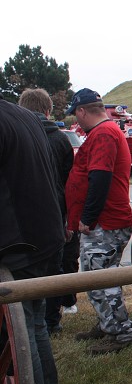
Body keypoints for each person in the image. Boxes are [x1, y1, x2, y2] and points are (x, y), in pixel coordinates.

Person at [0, 98, 65, 384]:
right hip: (44, 237)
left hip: (18, 245)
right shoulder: (25, 115)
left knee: (20, 333)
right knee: (35, 324)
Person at [65, 88, 132, 355]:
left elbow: (100, 178)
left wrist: (88, 218)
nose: (77, 120)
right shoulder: (105, 132)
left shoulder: (104, 133)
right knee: (103, 277)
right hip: (107, 220)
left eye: (76, 114)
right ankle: (107, 324)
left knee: (99, 280)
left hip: (105, 222)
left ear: (82, 111)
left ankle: (121, 333)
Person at [18, 88, 78, 335]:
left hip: (24, 218)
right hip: (56, 213)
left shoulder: (18, 136)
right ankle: (52, 321)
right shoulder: (61, 139)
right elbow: (68, 181)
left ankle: (29, 320)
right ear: (47, 111)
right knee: (55, 269)